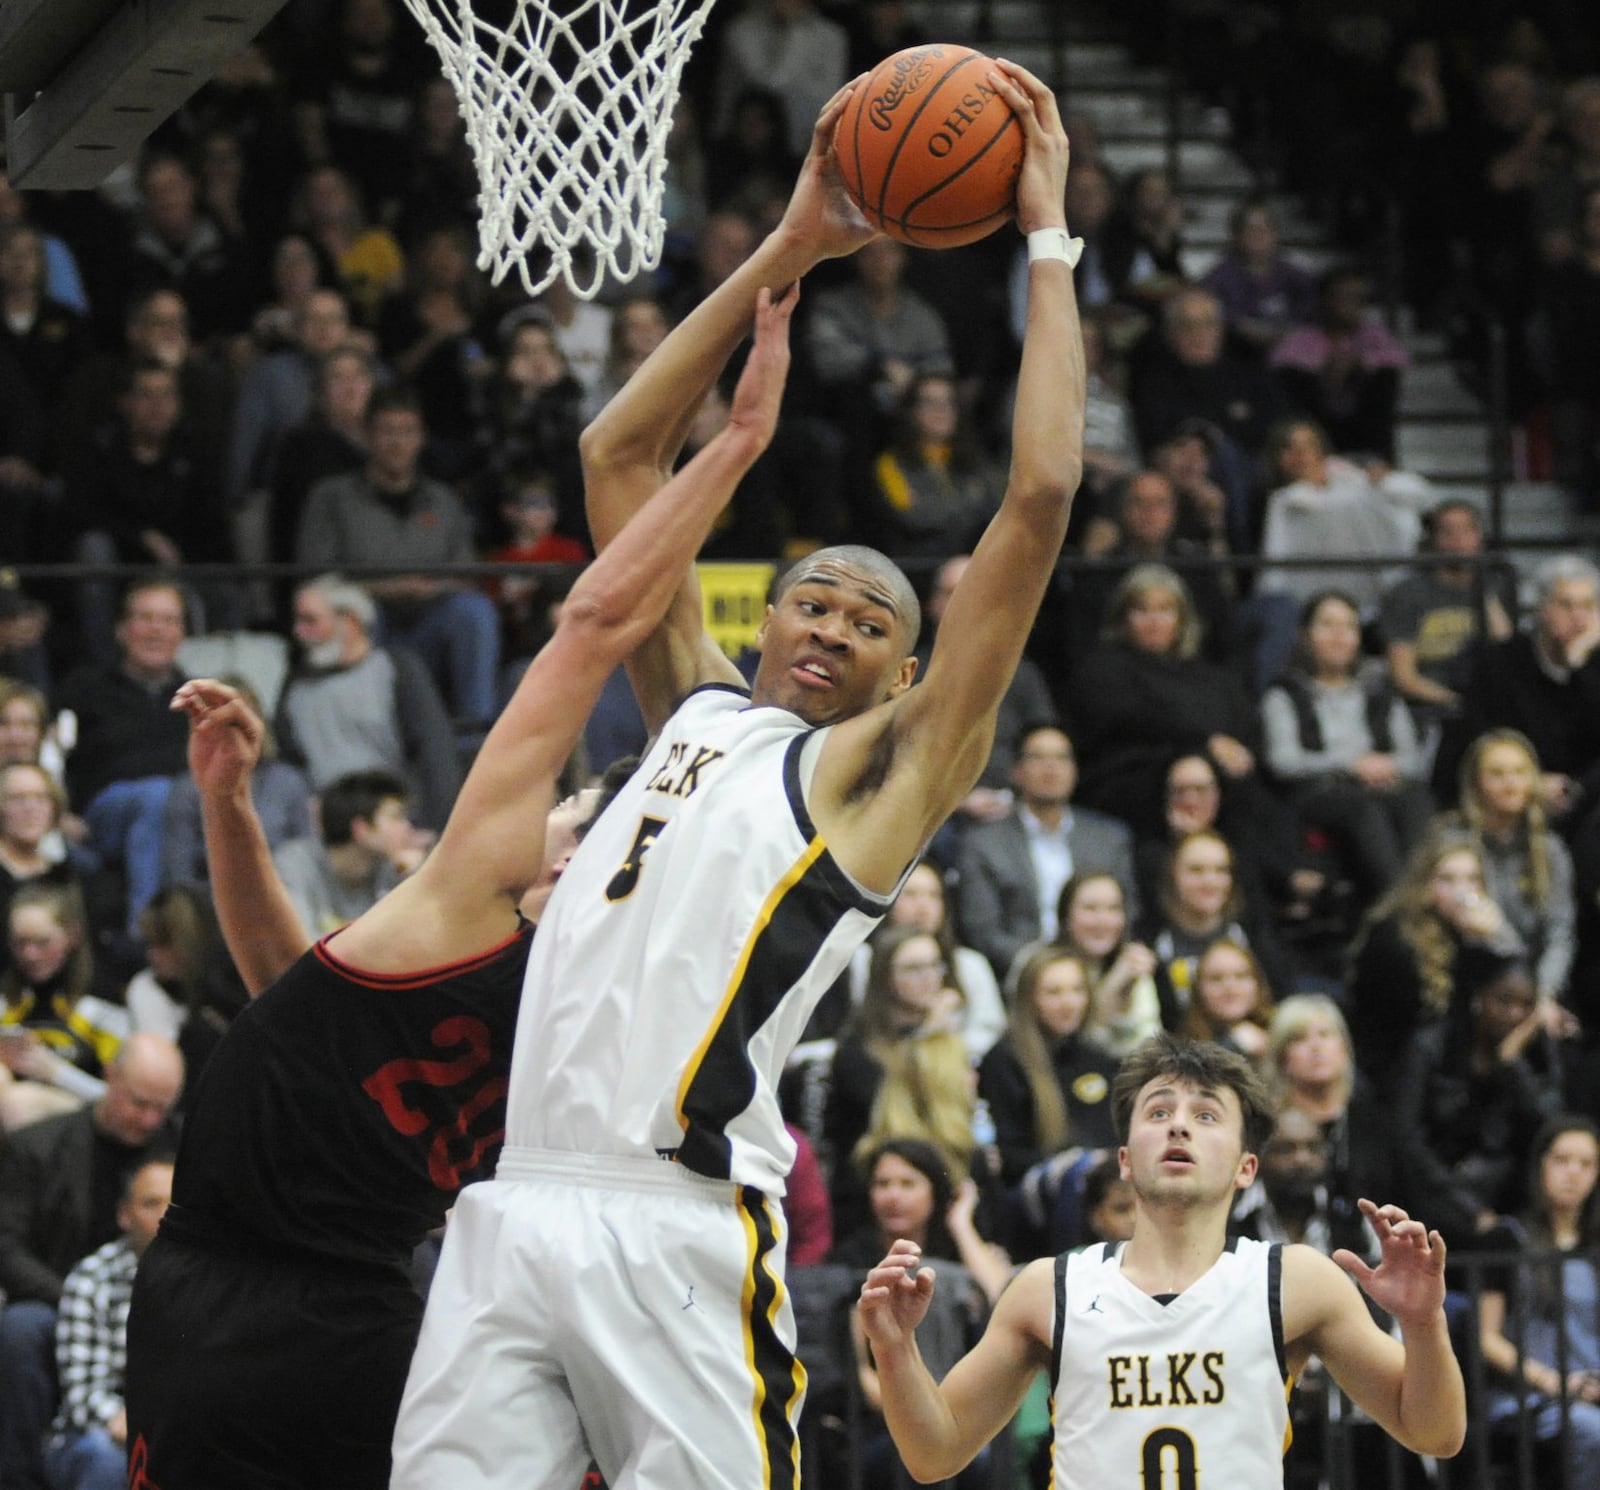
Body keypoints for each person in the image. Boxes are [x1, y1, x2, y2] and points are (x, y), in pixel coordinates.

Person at [389, 62, 1083, 1490]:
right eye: (812, 600)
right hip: (512, 1206)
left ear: (908, 675)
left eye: (868, 620)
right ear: (765, 615)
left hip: (686, 1225)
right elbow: (618, 447)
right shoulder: (687, 701)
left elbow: (1041, 499)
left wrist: (1048, 241)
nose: (828, 623)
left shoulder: (884, 778)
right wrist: (790, 248)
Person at [121, 282, 803, 1490]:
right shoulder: (584, 1007)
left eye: (577, 814)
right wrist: (229, 811)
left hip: (219, 1294)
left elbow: (594, 615)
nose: (562, 814)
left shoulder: (468, 893)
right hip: (376, 1320)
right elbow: (293, 994)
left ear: (574, 856)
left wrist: (737, 446)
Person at [857, 1034, 1468, 1487]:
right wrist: (894, 1349)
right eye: (1159, 1112)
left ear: (1244, 1167)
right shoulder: (1050, 1287)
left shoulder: (1296, 1279)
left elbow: (1436, 1433)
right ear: (1124, 1159)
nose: (1179, 1126)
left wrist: (1423, 1322)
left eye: (1205, 1116)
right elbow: (934, 1455)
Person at [0, 1035, 183, 1490]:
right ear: (110, 1078)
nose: (148, 1120)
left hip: (166, 1299)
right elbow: (6, 1247)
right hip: (60, 1296)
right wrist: (80, 1299)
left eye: (160, 1108)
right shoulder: (37, 1146)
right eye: (139, 1103)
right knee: (22, 1327)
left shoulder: (185, 1150)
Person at [1260, 589, 1433, 904]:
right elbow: (1283, 761)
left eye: (1349, 627)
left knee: (1415, 800)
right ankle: (1402, 907)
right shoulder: (1284, 694)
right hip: (1319, 793)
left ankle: (1428, 898)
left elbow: (1413, 760)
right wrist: (1352, 764)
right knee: (1364, 812)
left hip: (1383, 788)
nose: (1339, 636)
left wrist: (1386, 765)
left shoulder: (1381, 693)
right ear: (1304, 636)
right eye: (1327, 625)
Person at [276, 573, 462, 833]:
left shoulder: (396, 669)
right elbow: (289, 766)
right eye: (297, 621)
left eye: (310, 620)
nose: (299, 631)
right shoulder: (294, 686)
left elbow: (435, 754)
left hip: (395, 821)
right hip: (325, 830)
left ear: (349, 621)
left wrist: (437, 831)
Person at [956, 723, 1139, 979]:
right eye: (1038, 757)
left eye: (1061, 758)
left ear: (1075, 770)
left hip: (1098, 972)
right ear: (1016, 771)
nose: (1051, 767)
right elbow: (983, 932)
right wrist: (1044, 969)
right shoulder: (983, 844)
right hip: (1017, 979)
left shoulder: (1110, 840)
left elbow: (1128, 915)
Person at [1478, 1116, 1600, 1480]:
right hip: (1528, 1396)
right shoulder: (1508, 1237)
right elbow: (1488, 1339)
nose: (1573, 1173)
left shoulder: (1595, 1248)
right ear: (1540, 1166)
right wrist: (1553, 1381)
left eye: (1586, 1164)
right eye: (1562, 1160)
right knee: (1593, 1431)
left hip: (1593, 1386)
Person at [42, 1155, 174, 1490]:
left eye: (175, 1203)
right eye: (151, 1203)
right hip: (100, 1433)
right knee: (110, 1459)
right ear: (124, 1215)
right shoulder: (93, 1278)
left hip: (177, 1431)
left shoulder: (210, 1281)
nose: (165, 1215)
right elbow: (86, 1396)